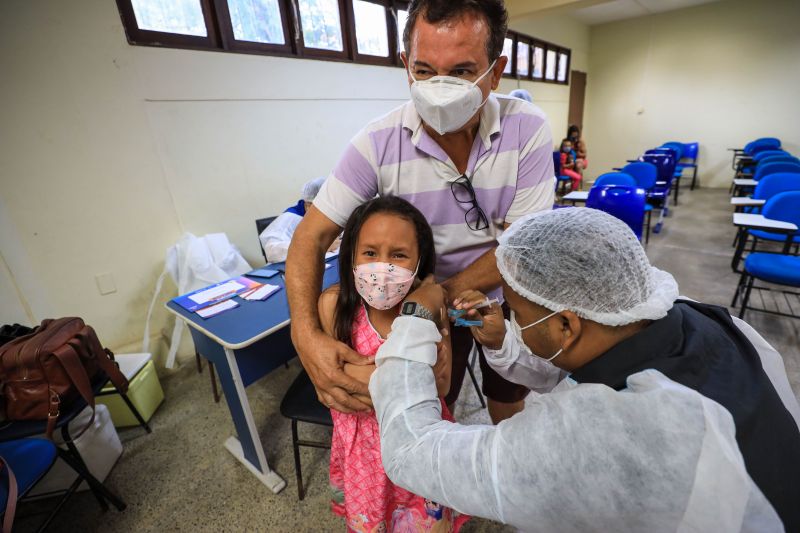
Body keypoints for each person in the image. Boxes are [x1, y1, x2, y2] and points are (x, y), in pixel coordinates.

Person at [368, 208, 800, 532]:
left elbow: (411, 450)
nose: (510, 318)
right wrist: (502, 341)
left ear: (566, 325)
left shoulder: (600, 442)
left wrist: (415, 319)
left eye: (515, 313)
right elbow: (574, 375)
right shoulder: (695, 321)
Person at [286, 0, 555, 424]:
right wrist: (304, 334)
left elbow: (521, 248)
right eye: (425, 71)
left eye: (462, 72)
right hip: (420, 304)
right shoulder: (377, 143)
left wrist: (435, 298)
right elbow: (310, 236)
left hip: (501, 297)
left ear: (495, 72)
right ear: (405, 66)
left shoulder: (527, 129)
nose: (440, 90)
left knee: (507, 399)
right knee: (433, 404)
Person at [318, 196, 467, 532]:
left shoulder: (429, 305)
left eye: (399, 255)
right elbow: (333, 377)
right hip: (364, 455)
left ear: (419, 262)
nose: (382, 267)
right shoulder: (334, 306)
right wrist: (413, 377)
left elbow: (441, 386)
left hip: (419, 442)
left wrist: (363, 376)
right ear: (352, 255)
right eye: (370, 253)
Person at [258, 176, 326, 263]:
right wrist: (317, 246)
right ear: (308, 205)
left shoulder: (318, 213)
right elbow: (272, 252)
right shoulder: (290, 218)